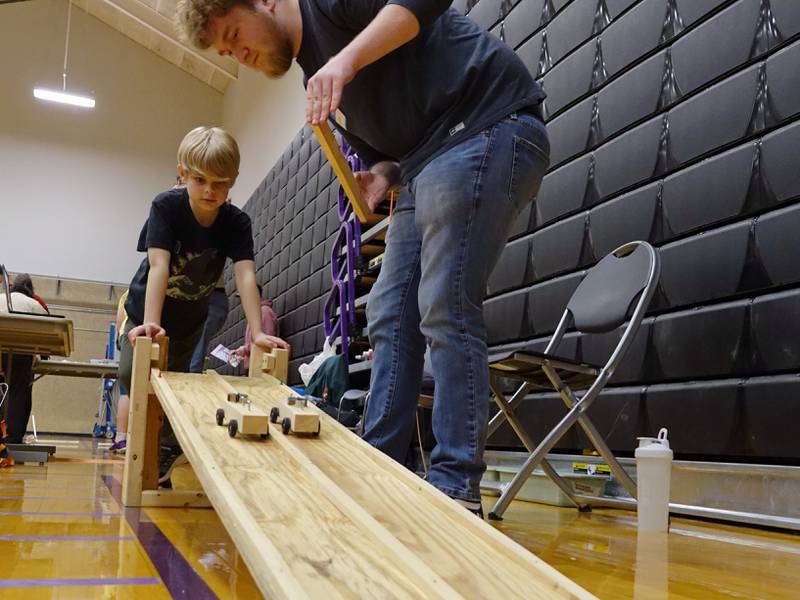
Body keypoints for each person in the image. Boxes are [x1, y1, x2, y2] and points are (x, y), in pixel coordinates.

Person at [176, 0, 550, 516]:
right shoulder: (315, 74)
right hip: (425, 164)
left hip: (487, 123)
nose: (240, 55)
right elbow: (392, 148)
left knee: (444, 304)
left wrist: (347, 59)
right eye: (228, 52)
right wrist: (382, 174)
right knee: (390, 312)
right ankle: (382, 464)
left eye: (236, 34)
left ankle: (455, 485)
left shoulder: (329, 9)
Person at [117, 126, 289, 481]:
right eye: (200, 180)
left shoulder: (236, 221)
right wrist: (150, 322)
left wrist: (257, 332)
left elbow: (245, 275)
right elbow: (159, 266)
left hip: (189, 321)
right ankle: (138, 449)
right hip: (145, 312)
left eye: (220, 182)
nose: (210, 190)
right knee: (132, 378)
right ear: (182, 173)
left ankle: (166, 451)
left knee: (174, 388)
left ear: (234, 181)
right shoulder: (167, 206)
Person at [0, 274, 48, 447]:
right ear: (30, 290)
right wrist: (44, 356)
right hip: (21, 353)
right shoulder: (34, 304)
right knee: (20, 393)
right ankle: (13, 438)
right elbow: (48, 332)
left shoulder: (1, 298)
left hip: (0, 351)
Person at [232, 283, 279, 369]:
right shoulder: (256, 314)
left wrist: (245, 349)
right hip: (255, 367)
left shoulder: (264, 312)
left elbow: (268, 342)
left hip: (261, 369)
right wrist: (242, 351)